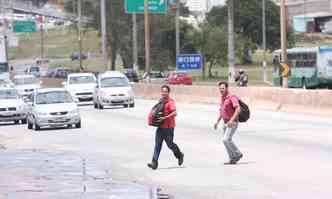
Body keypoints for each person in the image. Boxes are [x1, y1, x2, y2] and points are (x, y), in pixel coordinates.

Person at [147, 85, 184, 170]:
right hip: (160, 127)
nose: (164, 93)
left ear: (168, 92)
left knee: (170, 144)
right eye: (163, 91)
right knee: (157, 145)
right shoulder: (160, 101)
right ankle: (154, 162)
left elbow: (175, 113)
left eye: (166, 91)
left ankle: (179, 155)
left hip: (168, 128)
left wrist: (165, 117)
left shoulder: (170, 102)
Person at [214, 81, 243, 165]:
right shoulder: (223, 98)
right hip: (225, 122)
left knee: (225, 139)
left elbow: (238, 109)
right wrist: (217, 121)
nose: (221, 90)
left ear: (227, 88)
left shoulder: (231, 97)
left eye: (223, 88)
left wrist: (231, 120)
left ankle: (237, 153)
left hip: (232, 122)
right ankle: (232, 158)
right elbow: (222, 111)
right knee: (227, 140)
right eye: (220, 88)